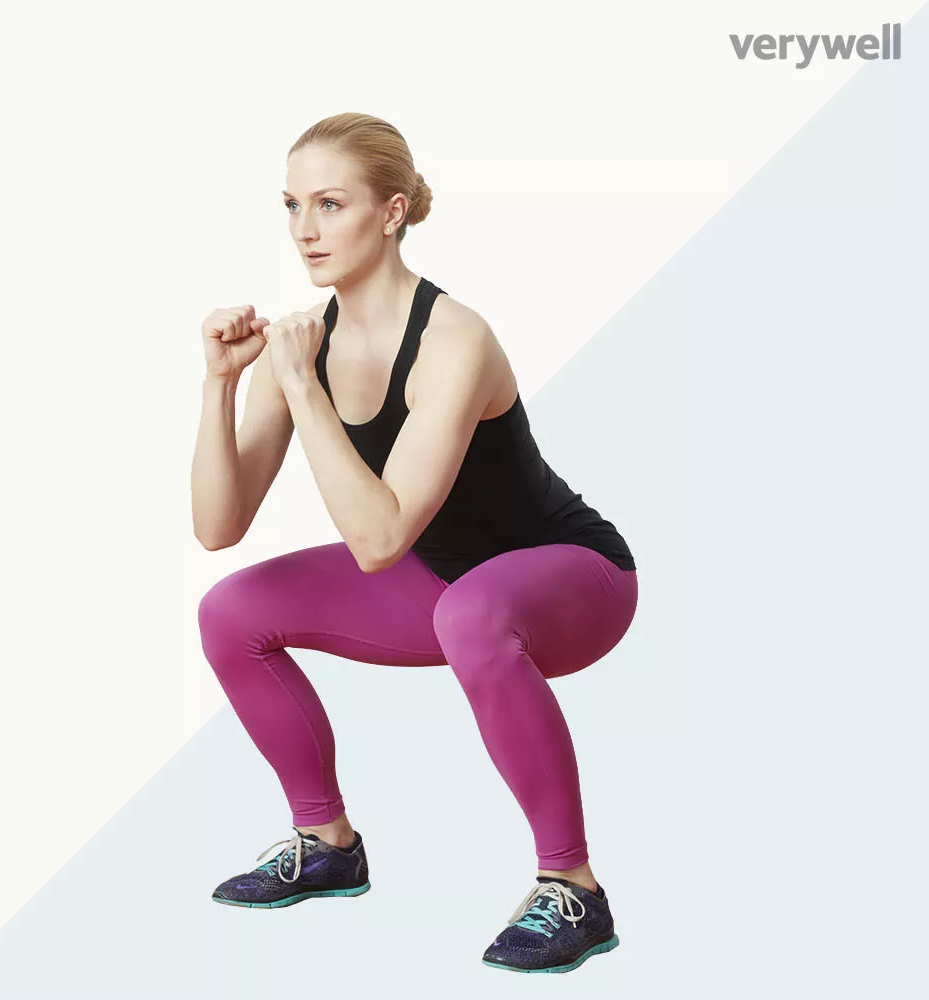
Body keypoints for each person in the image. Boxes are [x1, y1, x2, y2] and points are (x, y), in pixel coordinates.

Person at [190, 113, 638, 975]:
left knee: (471, 612)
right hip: (442, 585)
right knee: (231, 611)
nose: (305, 230)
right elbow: (218, 527)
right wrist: (222, 384)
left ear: (392, 212)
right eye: (291, 206)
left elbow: (380, 535)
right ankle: (325, 843)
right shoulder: (304, 347)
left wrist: (299, 387)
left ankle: (573, 887)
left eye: (330, 203)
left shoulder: (453, 338)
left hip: (577, 580)